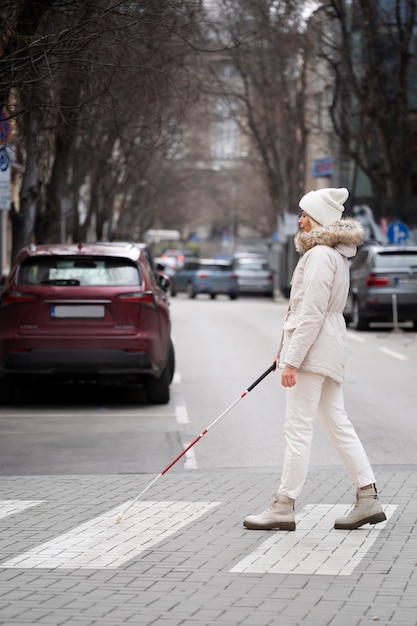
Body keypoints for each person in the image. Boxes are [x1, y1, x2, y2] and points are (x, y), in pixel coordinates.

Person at [243, 187, 386, 531]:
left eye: (305, 213)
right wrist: (285, 354)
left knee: (297, 429)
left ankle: (283, 504)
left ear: (320, 218)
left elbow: (311, 312)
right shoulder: (331, 254)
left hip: (312, 353)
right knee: (336, 423)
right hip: (324, 349)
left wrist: (292, 360)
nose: (300, 219)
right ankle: (367, 497)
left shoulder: (320, 255)